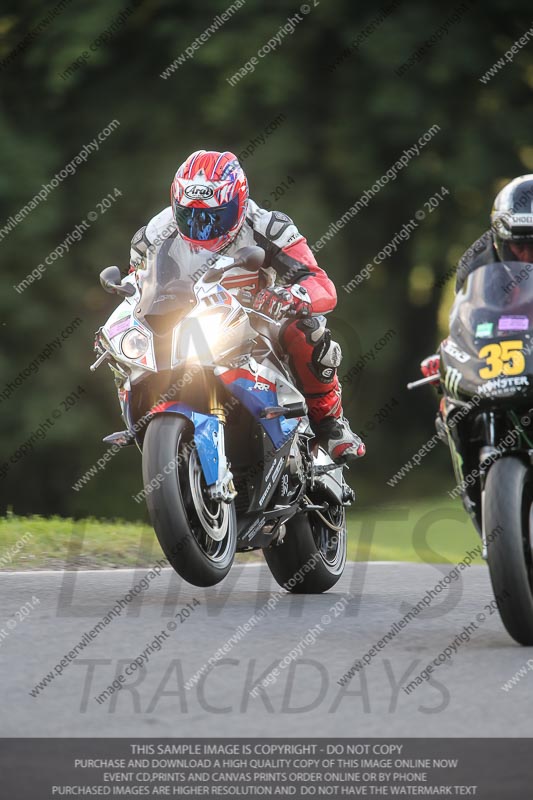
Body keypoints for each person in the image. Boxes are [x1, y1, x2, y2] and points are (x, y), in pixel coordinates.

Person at [129, 149, 365, 462]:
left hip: (256, 322)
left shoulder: (269, 227)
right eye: (191, 216)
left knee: (309, 331)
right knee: (129, 344)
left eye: (216, 216)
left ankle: (330, 424)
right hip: (184, 324)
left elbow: (319, 283)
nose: (203, 228)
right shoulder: (153, 234)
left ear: (239, 203)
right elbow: (135, 288)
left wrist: (292, 295)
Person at [421, 173, 533, 384]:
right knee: (452, 407)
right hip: (498, 368)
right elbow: (466, 325)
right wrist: (445, 357)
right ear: (500, 241)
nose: (527, 258)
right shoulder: (476, 265)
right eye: (520, 246)